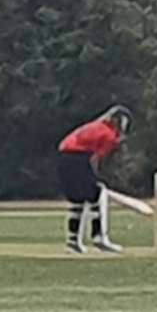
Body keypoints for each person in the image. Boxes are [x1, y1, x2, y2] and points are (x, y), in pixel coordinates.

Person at [57, 105, 132, 254]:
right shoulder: (109, 135)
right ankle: (100, 237)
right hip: (79, 158)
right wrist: (96, 176)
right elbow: (96, 159)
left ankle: (72, 241)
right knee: (99, 193)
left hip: (63, 158)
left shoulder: (94, 126)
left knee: (77, 200)